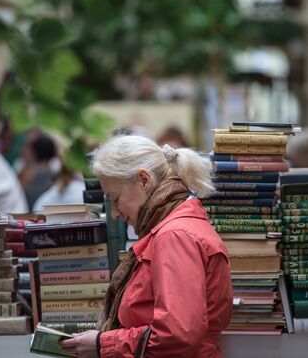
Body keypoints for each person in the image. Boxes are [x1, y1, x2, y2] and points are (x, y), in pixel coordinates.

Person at [60, 135, 233, 357]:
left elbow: (176, 335)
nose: (114, 213)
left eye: (115, 199)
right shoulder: (174, 228)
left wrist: (102, 344)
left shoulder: (174, 236)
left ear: (144, 180)